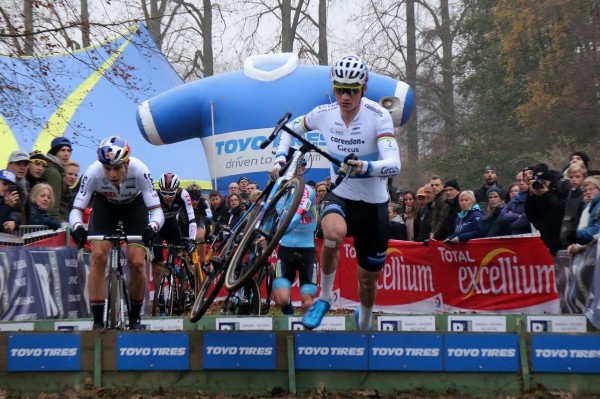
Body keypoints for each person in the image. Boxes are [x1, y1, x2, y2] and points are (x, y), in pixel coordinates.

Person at [270, 54, 402, 330]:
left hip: (374, 206)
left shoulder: (379, 116)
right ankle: (325, 298)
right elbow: (289, 130)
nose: (344, 96)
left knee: (367, 280)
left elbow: (394, 164)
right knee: (332, 232)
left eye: (352, 90)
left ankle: (364, 321)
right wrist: (280, 157)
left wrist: (365, 166)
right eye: (339, 89)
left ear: (363, 89)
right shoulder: (324, 114)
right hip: (341, 194)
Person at [69, 136, 165, 330]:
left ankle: (135, 318)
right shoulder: (93, 172)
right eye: (107, 168)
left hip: (134, 208)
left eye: (117, 168)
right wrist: (77, 227)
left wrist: (152, 227)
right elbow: (76, 210)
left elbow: (156, 210)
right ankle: (97, 321)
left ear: (127, 163)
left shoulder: (140, 170)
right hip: (106, 207)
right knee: (97, 257)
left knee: (137, 262)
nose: (112, 174)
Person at [272, 156, 318, 315]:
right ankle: (290, 323)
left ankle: (307, 335)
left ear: (302, 170)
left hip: (307, 251)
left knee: (308, 302)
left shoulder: (308, 191)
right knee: (282, 299)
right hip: (286, 251)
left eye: (294, 168)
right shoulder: (281, 190)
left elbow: (296, 217)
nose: (290, 172)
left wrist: (274, 235)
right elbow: (272, 215)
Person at [150, 173, 197, 308]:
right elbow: (148, 219)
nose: (168, 198)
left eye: (171, 194)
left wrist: (192, 240)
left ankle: (185, 287)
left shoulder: (184, 194)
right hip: (158, 227)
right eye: (164, 193)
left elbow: (191, 219)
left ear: (177, 190)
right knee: (157, 263)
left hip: (172, 226)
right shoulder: (154, 195)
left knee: (183, 255)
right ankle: (160, 295)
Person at [524, 163, 566, 256]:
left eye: (543, 181)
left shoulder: (560, 187)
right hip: (546, 240)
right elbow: (531, 215)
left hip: (562, 239)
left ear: (549, 180)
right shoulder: (534, 193)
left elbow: (562, 211)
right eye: (538, 181)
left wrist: (548, 194)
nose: (541, 184)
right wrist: (530, 195)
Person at [42, 137, 72, 222]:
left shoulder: (58, 170)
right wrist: (59, 224)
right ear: (55, 152)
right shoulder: (53, 173)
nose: (66, 154)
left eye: (69, 151)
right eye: (63, 150)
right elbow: (53, 207)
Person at [183, 183, 213, 264]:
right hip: (186, 222)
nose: (194, 202)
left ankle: (203, 262)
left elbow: (210, 218)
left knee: (199, 236)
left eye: (197, 199)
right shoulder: (183, 200)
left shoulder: (204, 201)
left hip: (198, 221)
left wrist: (211, 232)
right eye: (192, 199)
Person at [559, 162, 587, 248]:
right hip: (568, 234)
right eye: (571, 177)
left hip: (579, 235)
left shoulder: (585, 195)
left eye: (577, 177)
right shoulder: (571, 193)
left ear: (584, 177)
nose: (574, 180)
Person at [429, 176, 451, 240]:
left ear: (443, 186)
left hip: (441, 237)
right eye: (432, 185)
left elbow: (442, 219)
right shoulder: (437, 199)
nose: (434, 187)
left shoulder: (443, 199)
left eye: (437, 185)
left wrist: (434, 235)